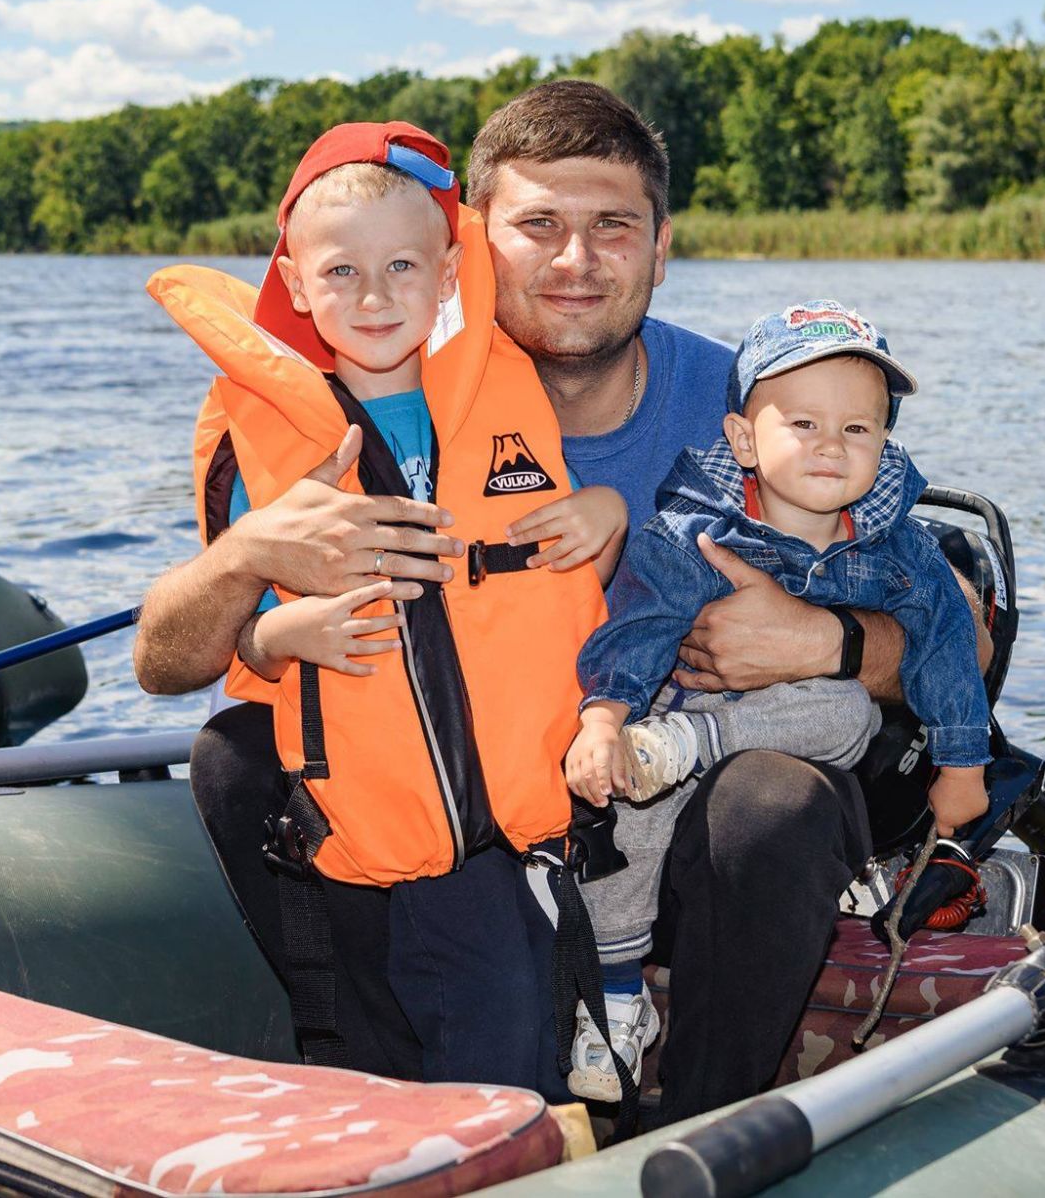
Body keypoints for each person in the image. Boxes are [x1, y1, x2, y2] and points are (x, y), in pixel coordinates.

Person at [135, 81, 965, 1123]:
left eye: (612, 225)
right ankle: (366, 1090)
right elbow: (166, 660)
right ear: (475, 246)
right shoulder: (389, 396)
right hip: (501, 799)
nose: (576, 259)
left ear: (660, 248)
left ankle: (699, 1132)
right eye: (539, 226)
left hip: (701, 791)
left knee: (773, 801)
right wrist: (245, 561)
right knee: (236, 752)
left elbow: (959, 627)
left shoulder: (761, 406)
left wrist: (828, 638)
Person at [145, 120, 625, 1098]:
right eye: (341, 272)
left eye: (401, 265)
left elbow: (554, 581)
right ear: (294, 279)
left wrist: (606, 509)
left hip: (503, 828)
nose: (373, 297)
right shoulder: (266, 428)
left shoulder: (503, 383)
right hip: (354, 816)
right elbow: (227, 644)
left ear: (449, 272)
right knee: (383, 1071)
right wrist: (276, 611)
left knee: (506, 1074)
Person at [559, 301, 993, 1101]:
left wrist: (963, 764)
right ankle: (614, 991)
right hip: (672, 728)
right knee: (629, 820)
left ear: (883, 444)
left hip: (801, 742)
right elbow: (642, 626)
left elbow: (950, 648)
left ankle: (712, 1107)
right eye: (803, 424)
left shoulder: (901, 548)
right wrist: (604, 716)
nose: (831, 445)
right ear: (743, 438)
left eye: (858, 430)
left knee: (849, 714)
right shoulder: (695, 528)